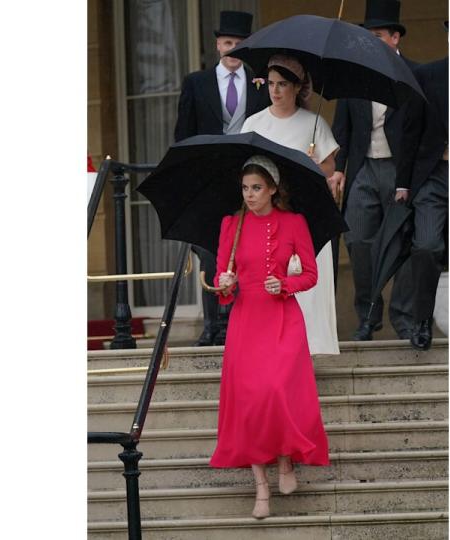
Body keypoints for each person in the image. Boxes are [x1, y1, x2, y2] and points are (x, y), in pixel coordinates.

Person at [209, 155, 330, 519]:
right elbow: (221, 280)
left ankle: (286, 462)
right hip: (246, 320)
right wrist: (223, 284)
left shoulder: (293, 223)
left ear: (274, 189)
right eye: (245, 188)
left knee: (277, 390)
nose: (249, 194)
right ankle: (261, 486)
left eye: (257, 188)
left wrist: (286, 284)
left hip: (282, 318)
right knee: (249, 402)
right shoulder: (230, 224)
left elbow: (310, 274)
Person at [173, 10, 271, 346]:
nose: (232, 49)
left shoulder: (260, 84)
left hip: (247, 177)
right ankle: (212, 324)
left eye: (239, 44)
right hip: (206, 178)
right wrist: (185, 178)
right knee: (209, 250)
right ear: (217, 45)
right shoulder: (196, 83)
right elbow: (182, 136)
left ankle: (237, 324)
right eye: (227, 42)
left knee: (244, 247)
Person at [330, 0, 425, 341]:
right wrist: (339, 168)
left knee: (404, 245)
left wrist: (415, 177)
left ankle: (403, 319)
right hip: (363, 169)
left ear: (395, 38)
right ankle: (368, 316)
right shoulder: (354, 78)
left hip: (402, 172)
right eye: (367, 35)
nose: (372, 41)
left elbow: (423, 131)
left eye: (378, 35)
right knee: (357, 241)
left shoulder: (417, 76)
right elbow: (342, 128)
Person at [241, 54, 341, 356]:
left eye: (282, 84)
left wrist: (313, 164)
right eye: (271, 83)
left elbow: (328, 166)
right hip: (266, 214)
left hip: (303, 213)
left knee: (302, 276)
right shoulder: (253, 123)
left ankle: (309, 347)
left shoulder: (314, 123)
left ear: (297, 87)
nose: (275, 90)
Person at [408, 20, 449, 350]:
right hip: (435, 174)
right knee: (426, 246)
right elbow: (410, 132)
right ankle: (421, 319)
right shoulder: (429, 75)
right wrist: (403, 183)